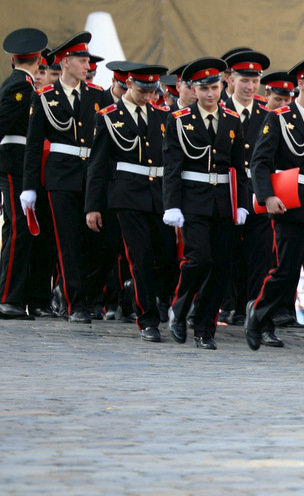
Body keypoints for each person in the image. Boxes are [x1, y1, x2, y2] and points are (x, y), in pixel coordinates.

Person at [244, 55, 304, 359]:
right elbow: (260, 162)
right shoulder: (279, 117)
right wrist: (266, 196)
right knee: (285, 272)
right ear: (301, 85)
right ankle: (258, 312)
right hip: (290, 206)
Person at [85, 64, 175, 342]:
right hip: (126, 195)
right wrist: (93, 206)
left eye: (152, 91)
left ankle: (150, 295)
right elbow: (97, 165)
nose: (148, 97)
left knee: (170, 256)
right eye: (142, 90)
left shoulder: (163, 116)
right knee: (141, 257)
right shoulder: (110, 117)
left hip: (159, 195)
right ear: (129, 85)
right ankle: (147, 319)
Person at [21, 31, 107, 323]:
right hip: (60, 177)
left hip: (92, 176)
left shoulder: (98, 96)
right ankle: (75, 304)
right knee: (68, 242)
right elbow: (33, 147)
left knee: (95, 243)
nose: (88, 66)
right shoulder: (44, 96)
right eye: (82, 60)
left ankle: (86, 294)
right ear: (66, 61)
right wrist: (29, 187)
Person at [162, 57, 247, 349]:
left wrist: (243, 204)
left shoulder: (233, 120)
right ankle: (180, 310)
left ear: (222, 87)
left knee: (221, 266)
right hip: (192, 201)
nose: (210, 94)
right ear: (192, 90)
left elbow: (240, 167)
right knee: (199, 259)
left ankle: (204, 327)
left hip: (224, 203)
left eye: (214, 87)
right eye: (204, 89)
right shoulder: (179, 121)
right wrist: (171, 205)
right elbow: (172, 167)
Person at [221, 50, 275, 335]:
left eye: (255, 81)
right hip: (228, 188)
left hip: (259, 189)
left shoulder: (268, 114)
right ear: (230, 79)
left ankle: (253, 307)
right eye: (244, 80)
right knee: (228, 248)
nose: (250, 87)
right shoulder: (219, 110)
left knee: (260, 252)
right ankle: (229, 302)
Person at [0, 27, 47, 319]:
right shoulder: (20, 87)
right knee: (18, 229)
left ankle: (13, 296)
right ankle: (7, 298)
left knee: (19, 230)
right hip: (13, 164)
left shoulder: (19, 82)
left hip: (18, 164)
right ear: (39, 58)